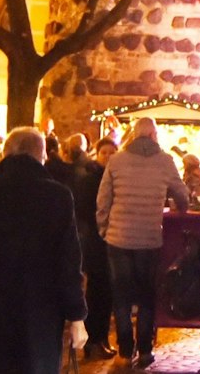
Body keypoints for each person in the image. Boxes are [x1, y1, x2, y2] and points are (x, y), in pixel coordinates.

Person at [0, 127, 87, 374]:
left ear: (4, 155)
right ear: (41, 157)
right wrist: (76, 316)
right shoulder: (57, 197)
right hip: (37, 317)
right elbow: (68, 262)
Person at [97, 116, 189, 369]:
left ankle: (125, 351)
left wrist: (105, 229)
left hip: (118, 239)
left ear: (134, 134)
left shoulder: (116, 161)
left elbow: (103, 200)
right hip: (149, 239)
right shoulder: (166, 161)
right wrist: (182, 206)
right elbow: (182, 194)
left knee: (122, 296)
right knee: (147, 295)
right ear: (152, 135)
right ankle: (146, 350)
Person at [55, 133, 115, 359]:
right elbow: (86, 210)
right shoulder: (91, 178)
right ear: (97, 154)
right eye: (104, 153)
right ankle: (94, 340)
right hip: (96, 239)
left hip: (106, 238)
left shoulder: (111, 176)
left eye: (111, 153)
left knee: (105, 291)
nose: (107, 157)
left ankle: (101, 339)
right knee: (98, 290)